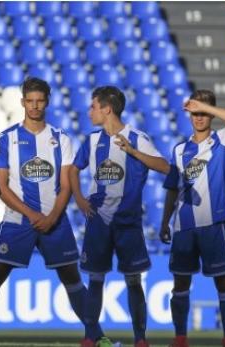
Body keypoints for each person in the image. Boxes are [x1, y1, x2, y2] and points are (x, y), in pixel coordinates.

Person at [0, 77, 95, 347]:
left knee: (72, 278)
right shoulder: (7, 138)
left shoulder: (61, 139)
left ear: (47, 102)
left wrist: (52, 217)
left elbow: (66, 185)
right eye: (30, 101)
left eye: (40, 101)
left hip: (55, 221)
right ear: (22, 102)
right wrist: (33, 216)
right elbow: (1, 187)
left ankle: (96, 335)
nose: (34, 106)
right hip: (18, 221)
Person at [69, 86, 170, 347]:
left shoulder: (137, 137)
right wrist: (79, 198)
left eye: (93, 106)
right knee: (95, 279)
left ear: (107, 109)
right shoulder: (91, 140)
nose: (89, 111)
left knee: (133, 281)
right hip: (98, 221)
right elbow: (72, 169)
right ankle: (90, 338)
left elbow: (165, 167)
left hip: (128, 223)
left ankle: (140, 340)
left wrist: (133, 152)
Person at [160, 90, 225, 347]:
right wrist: (165, 221)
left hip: (213, 224)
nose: (198, 117)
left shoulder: (221, 141)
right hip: (183, 226)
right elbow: (173, 188)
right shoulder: (179, 149)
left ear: (211, 114)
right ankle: (180, 338)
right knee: (180, 283)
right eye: (194, 113)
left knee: (223, 281)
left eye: (203, 113)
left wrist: (206, 106)